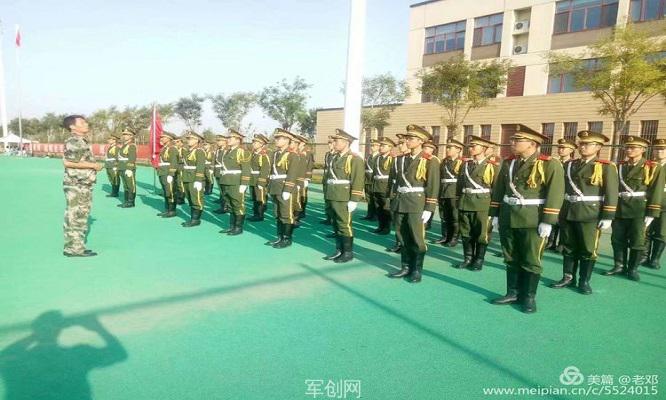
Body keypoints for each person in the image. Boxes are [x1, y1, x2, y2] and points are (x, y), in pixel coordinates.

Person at [490, 124, 565, 313]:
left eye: (517, 140)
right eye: (513, 139)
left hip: (533, 219)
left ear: (532, 143)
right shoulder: (509, 163)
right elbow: (499, 189)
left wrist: (548, 220)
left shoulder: (549, 164)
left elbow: (555, 192)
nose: (512, 142)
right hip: (509, 216)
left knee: (531, 259)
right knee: (511, 257)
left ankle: (529, 297)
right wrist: (495, 214)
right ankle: (513, 293)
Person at [550, 130, 618, 294]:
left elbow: (611, 192)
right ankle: (568, 277)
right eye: (581, 143)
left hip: (590, 214)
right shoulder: (569, 165)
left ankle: (584, 281)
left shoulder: (605, 167)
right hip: (568, 211)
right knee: (568, 246)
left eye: (587, 144)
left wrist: (608, 216)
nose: (583, 147)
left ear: (598, 147)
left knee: (588, 249)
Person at [604, 136, 664, 281]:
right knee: (617, 239)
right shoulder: (619, 166)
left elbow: (656, 191)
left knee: (638, 241)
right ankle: (619, 265)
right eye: (627, 147)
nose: (629, 150)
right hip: (620, 208)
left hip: (639, 210)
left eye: (633, 147)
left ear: (643, 150)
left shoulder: (652, 167)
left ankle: (632, 269)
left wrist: (652, 212)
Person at [387, 125, 440, 283]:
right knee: (402, 236)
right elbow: (395, 182)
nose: (407, 141)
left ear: (420, 141)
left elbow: (433, 185)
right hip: (400, 202)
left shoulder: (430, 160)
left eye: (411, 139)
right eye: (407, 138)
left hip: (417, 204)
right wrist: (392, 199)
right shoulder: (400, 159)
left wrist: (429, 208)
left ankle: (416, 270)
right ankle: (405, 267)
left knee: (417, 239)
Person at [455, 136, 499, 271]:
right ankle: (468, 258)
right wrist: (458, 200)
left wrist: (495, 210)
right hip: (465, 202)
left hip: (482, 204)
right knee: (465, 232)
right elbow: (459, 185)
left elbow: (496, 188)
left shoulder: (492, 166)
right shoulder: (465, 164)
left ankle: (479, 259)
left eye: (474, 146)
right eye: (470, 146)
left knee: (481, 234)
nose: (471, 148)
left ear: (484, 148)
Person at [62, 115, 103, 257]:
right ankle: (74, 249)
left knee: (79, 214)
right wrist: (93, 166)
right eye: (82, 122)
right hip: (77, 184)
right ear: (72, 126)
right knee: (76, 215)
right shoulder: (75, 141)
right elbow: (68, 162)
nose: (86, 124)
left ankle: (75, 246)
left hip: (81, 183)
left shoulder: (80, 141)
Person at [322, 129, 365, 263]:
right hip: (332, 194)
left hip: (344, 196)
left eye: (337, 141)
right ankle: (339, 249)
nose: (334, 143)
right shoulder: (334, 157)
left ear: (346, 142)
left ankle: (348, 252)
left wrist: (354, 199)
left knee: (344, 224)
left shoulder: (354, 159)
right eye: (334, 141)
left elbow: (358, 180)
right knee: (335, 223)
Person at [266, 128, 301, 248]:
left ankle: (287, 239)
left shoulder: (292, 155)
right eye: (276, 138)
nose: (276, 140)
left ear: (287, 140)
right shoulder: (275, 154)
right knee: (278, 213)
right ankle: (280, 237)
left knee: (286, 214)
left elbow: (292, 173)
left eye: (279, 138)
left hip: (285, 187)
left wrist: (287, 190)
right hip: (275, 186)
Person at [219, 129, 251, 235]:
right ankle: (231, 226)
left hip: (236, 182)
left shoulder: (242, 152)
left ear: (238, 140)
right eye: (228, 137)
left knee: (238, 204)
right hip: (226, 180)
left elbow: (246, 168)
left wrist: (244, 183)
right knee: (230, 204)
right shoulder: (227, 151)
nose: (228, 139)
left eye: (231, 138)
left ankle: (238, 227)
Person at [546, 138, 577, 251]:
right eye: (559, 147)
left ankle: (562, 243)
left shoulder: (574, 164)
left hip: (566, 196)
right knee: (553, 217)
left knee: (564, 221)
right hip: (555, 194)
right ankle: (551, 242)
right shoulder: (554, 162)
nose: (561, 150)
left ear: (571, 150)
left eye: (564, 148)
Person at [433, 138, 465, 246]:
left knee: (455, 217)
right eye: (447, 147)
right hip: (443, 191)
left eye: (450, 147)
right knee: (444, 216)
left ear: (458, 150)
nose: (447, 149)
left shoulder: (462, 162)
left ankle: (454, 238)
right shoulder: (443, 162)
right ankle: (445, 236)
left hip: (454, 192)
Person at [643, 138, 666, 269]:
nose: (659, 152)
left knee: (661, 233)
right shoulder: (648, 166)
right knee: (645, 230)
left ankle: (655, 259)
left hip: (664, 205)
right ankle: (644, 256)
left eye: (663, 149)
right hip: (648, 203)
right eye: (657, 149)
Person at [385, 137, 411, 253]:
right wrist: (389, 193)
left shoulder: (416, 160)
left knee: (409, 222)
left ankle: (408, 244)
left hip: (410, 195)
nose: (400, 146)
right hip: (396, 191)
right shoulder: (397, 159)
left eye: (402, 143)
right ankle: (399, 242)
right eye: (399, 143)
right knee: (396, 220)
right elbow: (391, 177)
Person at [181, 131, 207, 227]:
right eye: (188, 138)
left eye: (191, 139)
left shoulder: (199, 151)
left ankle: (195, 219)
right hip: (187, 177)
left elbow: (200, 166)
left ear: (197, 140)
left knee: (196, 199)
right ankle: (193, 218)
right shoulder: (188, 151)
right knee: (190, 198)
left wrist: (198, 180)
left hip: (194, 178)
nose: (189, 140)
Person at [371, 137, 395, 235]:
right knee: (378, 208)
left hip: (385, 187)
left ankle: (386, 227)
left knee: (386, 208)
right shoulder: (377, 158)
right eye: (381, 145)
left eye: (383, 146)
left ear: (390, 147)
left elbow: (393, 175)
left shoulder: (392, 158)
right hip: (376, 185)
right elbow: (374, 173)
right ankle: (380, 226)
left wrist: (391, 189)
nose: (381, 147)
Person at [248, 134, 271, 222]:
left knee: (260, 197)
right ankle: (255, 214)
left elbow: (265, 169)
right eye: (253, 142)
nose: (253, 144)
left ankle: (260, 215)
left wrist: (261, 182)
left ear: (261, 144)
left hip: (259, 178)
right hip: (253, 178)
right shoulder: (254, 154)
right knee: (254, 197)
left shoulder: (263, 155)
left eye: (256, 142)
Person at [156, 132, 179, 218]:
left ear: (169, 139)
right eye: (161, 137)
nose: (161, 139)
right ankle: (167, 209)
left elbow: (174, 162)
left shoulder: (172, 149)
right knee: (166, 191)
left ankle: (172, 210)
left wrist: (171, 174)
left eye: (163, 137)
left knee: (170, 192)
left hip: (168, 173)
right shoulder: (164, 148)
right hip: (163, 172)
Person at [116, 129, 137, 208]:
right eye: (124, 134)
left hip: (127, 168)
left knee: (130, 185)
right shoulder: (124, 145)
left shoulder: (131, 145)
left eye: (126, 134)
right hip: (122, 167)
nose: (124, 136)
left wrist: (129, 168)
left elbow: (132, 157)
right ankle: (126, 200)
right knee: (125, 185)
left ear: (131, 136)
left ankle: (131, 202)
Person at [422, 141, 439, 231]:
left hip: (426, 192)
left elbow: (432, 181)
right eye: (423, 148)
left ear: (432, 150)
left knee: (422, 221)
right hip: (418, 193)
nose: (424, 150)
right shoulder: (421, 158)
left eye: (426, 148)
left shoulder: (432, 160)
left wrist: (430, 202)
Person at [362, 139, 380, 221]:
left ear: (378, 147)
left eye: (374, 146)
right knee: (368, 198)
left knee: (375, 198)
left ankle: (376, 215)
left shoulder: (379, 157)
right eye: (371, 145)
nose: (372, 147)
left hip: (374, 180)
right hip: (367, 180)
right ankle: (369, 214)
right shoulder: (369, 156)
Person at [320, 139, 336, 226]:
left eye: (331, 143)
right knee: (327, 199)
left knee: (333, 200)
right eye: (329, 143)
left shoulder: (337, 154)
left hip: (333, 180)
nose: (329, 145)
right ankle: (328, 217)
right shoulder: (327, 154)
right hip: (326, 179)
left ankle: (334, 219)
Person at [213, 134, 229, 214]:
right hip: (218, 172)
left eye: (219, 141)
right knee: (221, 190)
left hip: (224, 172)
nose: (218, 142)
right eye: (217, 141)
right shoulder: (218, 150)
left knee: (225, 191)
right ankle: (223, 206)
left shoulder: (227, 151)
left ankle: (225, 207)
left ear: (225, 141)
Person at [298, 138, 315, 219]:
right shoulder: (296, 151)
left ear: (303, 143)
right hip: (296, 177)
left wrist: (307, 178)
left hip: (304, 177)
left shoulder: (307, 152)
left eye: (299, 142)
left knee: (303, 194)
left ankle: (302, 210)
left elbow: (310, 165)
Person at [104, 133, 120, 198]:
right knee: (111, 179)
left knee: (115, 179)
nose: (108, 140)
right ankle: (113, 191)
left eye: (110, 139)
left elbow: (118, 158)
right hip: (109, 166)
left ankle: (115, 193)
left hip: (113, 166)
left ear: (114, 140)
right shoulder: (110, 147)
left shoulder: (116, 148)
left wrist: (116, 166)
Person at [174, 137, 186, 205]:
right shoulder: (174, 150)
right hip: (175, 168)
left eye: (178, 142)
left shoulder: (184, 150)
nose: (176, 143)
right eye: (175, 142)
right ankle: (177, 196)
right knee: (176, 183)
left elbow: (185, 160)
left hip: (181, 168)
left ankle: (181, 198)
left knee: (180, 183)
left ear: (181, 143)